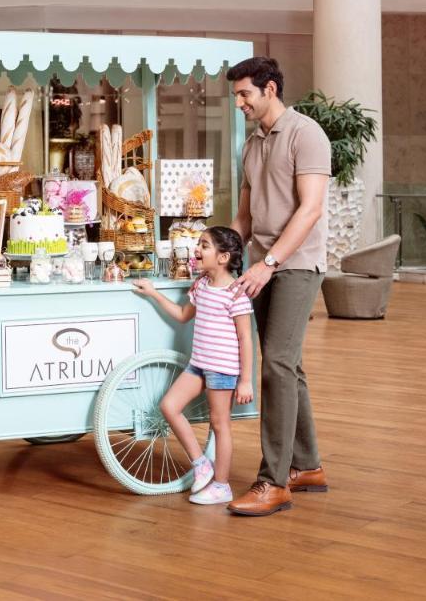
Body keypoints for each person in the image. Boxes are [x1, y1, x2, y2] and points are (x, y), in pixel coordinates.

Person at [225, 57, 331, 517]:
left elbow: (310, 209)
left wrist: (268, 264)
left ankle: (273, 481)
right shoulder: (251, 144)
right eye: (236, 96)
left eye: (244, 94)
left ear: (270, 89)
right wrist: (222, 255)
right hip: (262, 265)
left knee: (277, 365)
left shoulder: (306, 134)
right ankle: (307, 467)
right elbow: (244, 216)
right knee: (286, 364)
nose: (239, 103)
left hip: (296, 265)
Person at [134, 227, 254, 506]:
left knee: (220, 425)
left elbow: (245, 338)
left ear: (223, 257)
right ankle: (201, 464)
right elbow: (182, 315)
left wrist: (246, 380)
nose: (196, 249)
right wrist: (153, 293)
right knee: (169, 406)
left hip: (222, 369)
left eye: (204, 245)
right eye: (199, 244)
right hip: (199, 364)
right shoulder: (201, 286)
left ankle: (222, 486)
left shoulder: (236, 294)